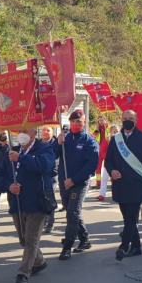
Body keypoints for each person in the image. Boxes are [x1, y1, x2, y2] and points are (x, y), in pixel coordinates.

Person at [0, 128, 55, 283]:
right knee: (24, 239)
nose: (21, 133)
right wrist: (9, 186)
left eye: (25, 130)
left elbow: (43, 166)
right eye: (19, 130)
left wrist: (21, 158)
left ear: (34, 133)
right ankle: (39, 261)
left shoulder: (44, 148)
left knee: (30, 240)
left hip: (37, 202)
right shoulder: (11, 152)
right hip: (17, 204)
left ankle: (23, 273)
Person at [104, 110, 142, 261]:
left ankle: (123, 247)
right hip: (120, 184)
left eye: (131, 118)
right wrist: (112, 171)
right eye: (125, 118)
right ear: (121, 120)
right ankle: (136, 247)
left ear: (136, 120)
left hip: (137, 185)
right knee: (127, 216)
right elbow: (108, 160)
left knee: (130, 218)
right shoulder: (116, 139)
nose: (127, 121)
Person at [55, 110, 98, 260]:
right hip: (64, 182)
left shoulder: (89, 141)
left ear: (84, 123)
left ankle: (67, 246)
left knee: (72, 213)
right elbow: (54, 155)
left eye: (79, 122)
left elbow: (91, 166)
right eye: (73, 122)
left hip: (79, 183)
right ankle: (85, 239)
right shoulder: (65, 138)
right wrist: (57, 143)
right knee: (72, 211)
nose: (76, 124)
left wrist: (74, 180)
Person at [38, 125, 57, 234]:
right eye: (43, 130)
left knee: (49, 198)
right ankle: (43, 221)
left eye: (47, 130)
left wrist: (52, 172)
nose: (45, 132)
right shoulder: (38, 144)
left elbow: (56, 161)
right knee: (41, 198)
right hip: (40, 176)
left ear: (52, 132)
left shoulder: (55, 144)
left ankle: (50, 223)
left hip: (50, 176)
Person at [98, 124, 117, 201]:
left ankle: (116, 194)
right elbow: (102, 150)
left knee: (117, 180)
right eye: (113, 130)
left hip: (118, 163)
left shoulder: (121, 138)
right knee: (104, 178)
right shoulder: (107, 139)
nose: (115, 131)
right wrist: (107, 157)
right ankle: (102, 194)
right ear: (110, 130)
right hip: (108, 162)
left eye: (116, 130)